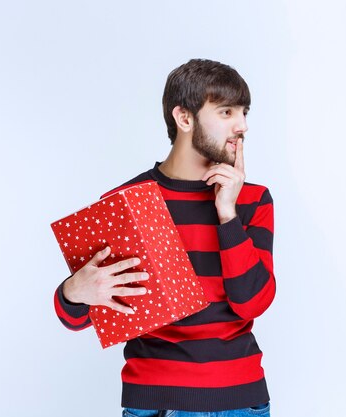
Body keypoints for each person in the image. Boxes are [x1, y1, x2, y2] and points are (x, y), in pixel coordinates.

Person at [54, 59, 276, 417]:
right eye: (226, 112)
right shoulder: (127, 202)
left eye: (244, 112)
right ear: (184, 118)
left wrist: (227, 214)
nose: (243, 126)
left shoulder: (252, 199)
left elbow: (252, 304)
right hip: (157, 404)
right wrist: (73, 292)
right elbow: (76, 318)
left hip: (242, 403)